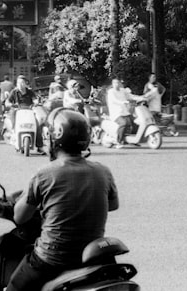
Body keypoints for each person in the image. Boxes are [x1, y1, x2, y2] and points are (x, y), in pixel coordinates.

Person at [7, 109, 118, 291]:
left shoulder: (45, 174)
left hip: (52, 258)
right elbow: (113, 205)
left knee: (14, 287)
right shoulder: (102, 171)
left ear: (53, 138)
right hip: (92, 255)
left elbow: (20, 218)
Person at [5, 76, 42, 151]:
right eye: (18, 83)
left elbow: (35, 99)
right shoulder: (14, 92)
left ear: (26, 84)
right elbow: (7, 102)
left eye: (22, 83)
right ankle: (13, 138)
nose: (20, 84)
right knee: (11, 123)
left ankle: (39, 146)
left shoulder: (30, 92)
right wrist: (10, 104)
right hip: (17, 110)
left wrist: (36, 102)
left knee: (38, 124)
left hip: (29, 111)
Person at [105, 78, 137, 148]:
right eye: (115, 83)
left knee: (136, 122)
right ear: (112, 84)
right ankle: (118, 142)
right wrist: (123, 102)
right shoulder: (111, 92)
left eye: (118, 83)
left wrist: (140, 98)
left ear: (120, 84)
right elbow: (114, 100)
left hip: (125, 112)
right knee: (123, 123)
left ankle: (134, 140)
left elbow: (130, 96)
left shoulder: (123, 90)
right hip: (116, 113)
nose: (116, 84)